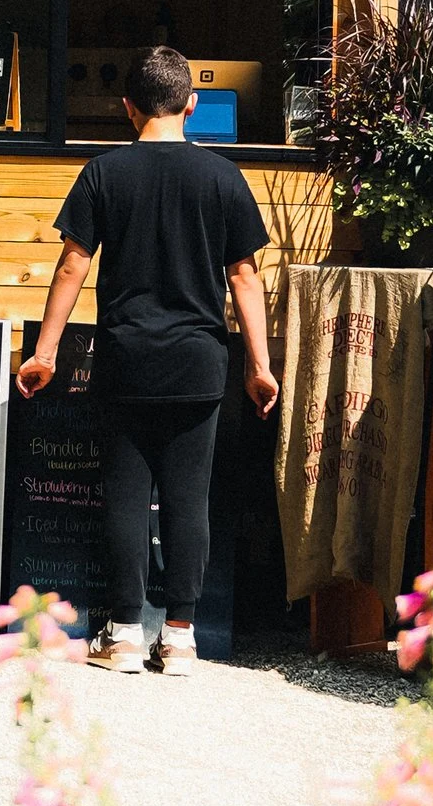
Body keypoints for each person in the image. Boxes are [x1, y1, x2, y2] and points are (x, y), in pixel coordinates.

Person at [16, 42, 280, 677]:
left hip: (127, 360)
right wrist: (259, 365)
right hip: (198, 364)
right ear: (192, 103)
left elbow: (72, 264)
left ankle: (127, 635)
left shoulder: (103, 173)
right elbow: (244, 277)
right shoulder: (224, 177)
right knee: (190, 500)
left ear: (127, 107)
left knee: (126, 498)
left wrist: (45, 352)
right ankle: (182, 637)